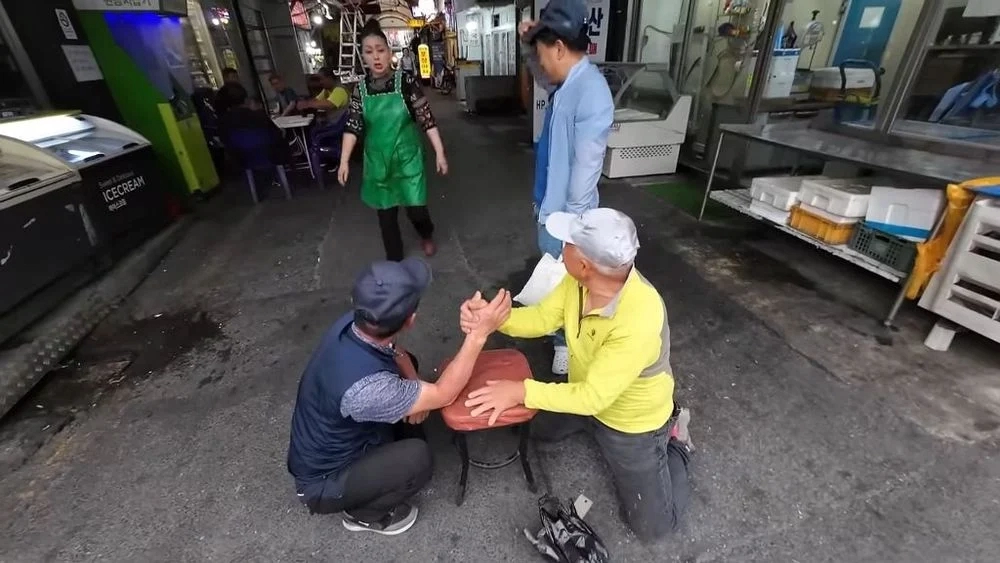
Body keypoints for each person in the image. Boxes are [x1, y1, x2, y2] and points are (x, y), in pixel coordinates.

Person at [460, 208, 693, 542]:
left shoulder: (639, 316)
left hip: (630, 423)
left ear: (585, 264)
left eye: (567, 242)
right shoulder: (578, 281)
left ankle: (677, 441)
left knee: (654, 528)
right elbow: (543, 318)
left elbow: (594, 397)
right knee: (528, 427)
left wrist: (521, 390)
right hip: (585, 393)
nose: (561, 245)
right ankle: (584, 422)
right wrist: (492, 319)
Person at [287, 258, 512, 535]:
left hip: (349, 431)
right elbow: (445, 394)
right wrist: (479, 334)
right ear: (411, 320)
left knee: (408, 365)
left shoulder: (357, 320)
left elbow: (396, 352)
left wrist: (413, 384)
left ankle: (395, 430)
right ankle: (363, 514)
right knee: (416, 458)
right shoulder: (367, 389)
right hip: (324, 482)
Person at [521, 0, 615, 377]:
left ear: (560, 48)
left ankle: (566, 346)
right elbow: (540, 72)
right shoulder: (567, 82)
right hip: (549, 204)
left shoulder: (591, 93)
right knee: (557, 281)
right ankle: (562, 336)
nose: (541, 63)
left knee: (569, 283)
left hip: (566, 216)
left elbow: (586, 170)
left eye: (545, 54)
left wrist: (569, 229)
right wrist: (531, 41)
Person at [338, 20, 449, 262]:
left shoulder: (406, 83)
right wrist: (344, 161)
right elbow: (353, 125)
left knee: (416, 209)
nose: (376, 57)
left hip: (407, 159)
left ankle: (426, 233)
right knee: (386, 216)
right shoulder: (360, 89)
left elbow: (426, 120)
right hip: (378, 161)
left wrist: (439, 153)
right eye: (369, 52)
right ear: (363, 57)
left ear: (389, 52)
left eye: (380, 50)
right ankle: (395, 260)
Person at [216, 85, 289, 168]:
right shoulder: (259, 115)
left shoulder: (223, 121)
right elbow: (277, 134)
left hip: (241, 160)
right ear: (245, 99)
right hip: (270, 157)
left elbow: (224, 140)